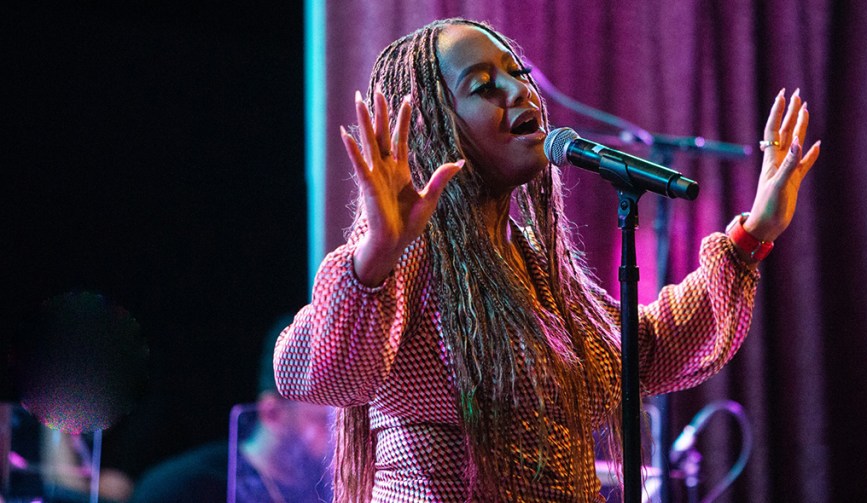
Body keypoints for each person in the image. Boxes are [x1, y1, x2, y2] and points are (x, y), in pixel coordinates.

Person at [273, 17, 821, 502]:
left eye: (518, 74)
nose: (520, 91)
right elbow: (310, 372)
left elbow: (643, 351)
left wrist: (753, 234)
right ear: (434, 128)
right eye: (484, 86)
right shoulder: (411, 254)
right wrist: (375, 255)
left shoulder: (531, 263)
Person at [130, 316, 332, 502]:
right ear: (272, 413)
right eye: (322, 420)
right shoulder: (183, 487)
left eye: (337, 423)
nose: (335, 436)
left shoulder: (327, 488)